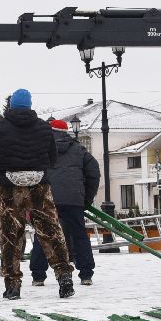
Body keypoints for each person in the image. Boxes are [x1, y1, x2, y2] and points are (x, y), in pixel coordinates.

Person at [0, 89, 75, 300]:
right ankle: (64, 276)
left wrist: (1, 165)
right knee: (51, 232)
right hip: (40, 186)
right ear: (30, 106)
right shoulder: (43, 127)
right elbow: (52, 159)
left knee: (10, 236)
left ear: (11, 105)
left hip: (8, 188)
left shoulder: (0, 127)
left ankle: (12, 285)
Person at [30, 119, 100, 286]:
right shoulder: (79, 150)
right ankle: (86, 274)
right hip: (73, 200)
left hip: (47, 199)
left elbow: (33, 175)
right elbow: (93, 173)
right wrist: (86, 198)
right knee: (79, 235)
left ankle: (38, 275)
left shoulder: (41, 149)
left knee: (43, 234)